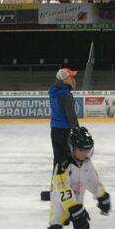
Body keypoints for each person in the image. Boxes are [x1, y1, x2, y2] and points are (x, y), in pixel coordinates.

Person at [40, 127, 110, 229]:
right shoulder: (63, 166)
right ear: (72, 148)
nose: (85, 153)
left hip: (77, 202)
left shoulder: (87, 164)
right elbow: (62, 187)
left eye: (87, 150)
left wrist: (101, 196)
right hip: (60, 202)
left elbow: (93, 181)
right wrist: (73, 207)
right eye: (81, 150)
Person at [43, 68, 80, 201]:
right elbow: (71, 115)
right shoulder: (66, 94)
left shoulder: (53, 91)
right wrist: (77, 130)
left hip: (54, 130)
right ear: (64, 79)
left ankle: (54, 188)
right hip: (64, 131)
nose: (73, 79)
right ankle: (65, 190)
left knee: (57, 159)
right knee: (68, 161)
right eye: (71, 77)